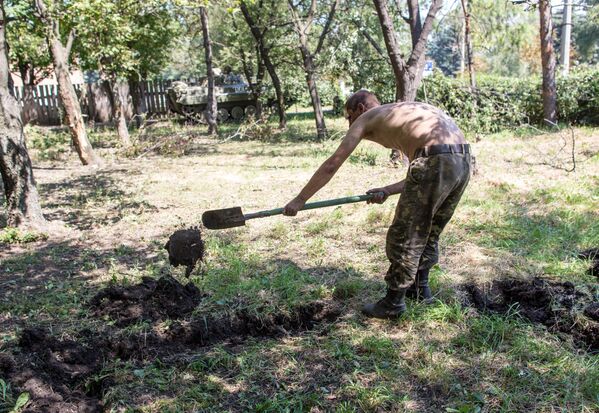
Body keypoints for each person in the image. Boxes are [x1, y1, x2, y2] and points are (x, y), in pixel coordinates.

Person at [283, 90, 472, 319]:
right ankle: (420, 291)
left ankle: (393, 303)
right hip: (463, 160)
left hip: (437, 160)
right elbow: (428, 171)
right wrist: (387, 190)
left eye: (348, 117)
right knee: (428, 231)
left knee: (405, 234)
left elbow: (332, 164)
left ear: (359, 109)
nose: (350, 124)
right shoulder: (403, 112)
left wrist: (300, 199)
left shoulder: (366, 117)